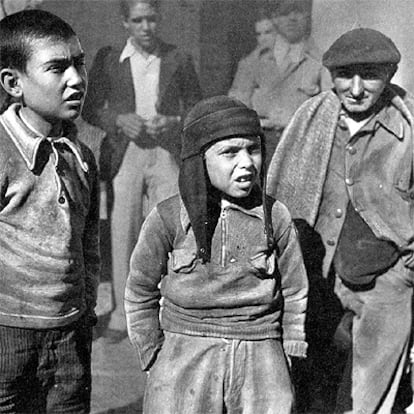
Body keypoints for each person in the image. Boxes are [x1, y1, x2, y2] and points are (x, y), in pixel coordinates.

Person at [125, 95, 308, 413]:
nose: (247, 163)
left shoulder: (275, 216)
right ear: (200, 160)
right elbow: (139, 290)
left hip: (259, 348)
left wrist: (290, 343)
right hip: (185, 348)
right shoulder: (168, 218)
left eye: (253, 149)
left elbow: (295, 287)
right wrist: (152, 351)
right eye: (230, 152)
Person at [267, 28, 414, 414]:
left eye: (370, 76)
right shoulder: (310, 120)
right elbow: (281, 191)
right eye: (345, 75)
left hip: (384, 276)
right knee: (305, 382)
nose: (356, 88)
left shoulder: (408, 130)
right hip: (312, 271)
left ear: (389, 76)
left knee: (372, 396)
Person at [82, 0, 202, 343]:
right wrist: (120, 120)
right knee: (123, 233)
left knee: (172, 230)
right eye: (137, 20)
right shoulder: (110, 60)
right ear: (125, 23)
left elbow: (196, 105)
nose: (146, 27)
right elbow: (91, 109)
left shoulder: (178, 58)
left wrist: (174, 121)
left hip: (165, 153)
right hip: (126, 154)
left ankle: (169, 310)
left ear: (159, 19)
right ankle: (122, 315)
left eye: (151, 19)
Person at [0, 9, 100, 413]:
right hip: (8, 337)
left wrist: (86, 309)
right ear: (13, 83)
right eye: (57, 68)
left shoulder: (83, 156)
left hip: (69, 336)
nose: (76, 79)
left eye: (78, 64)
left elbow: (89, 243)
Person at [229, 0, 329, 158]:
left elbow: (330, 115)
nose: (292, 18)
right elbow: (235, 112)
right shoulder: (251, 63)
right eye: (284, 13)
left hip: (303, 150)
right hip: (260, 149)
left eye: (298, 12)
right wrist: (266, 122)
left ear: (308, 17)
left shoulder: (320, 63)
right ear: (274, 18)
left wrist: (293, 121)